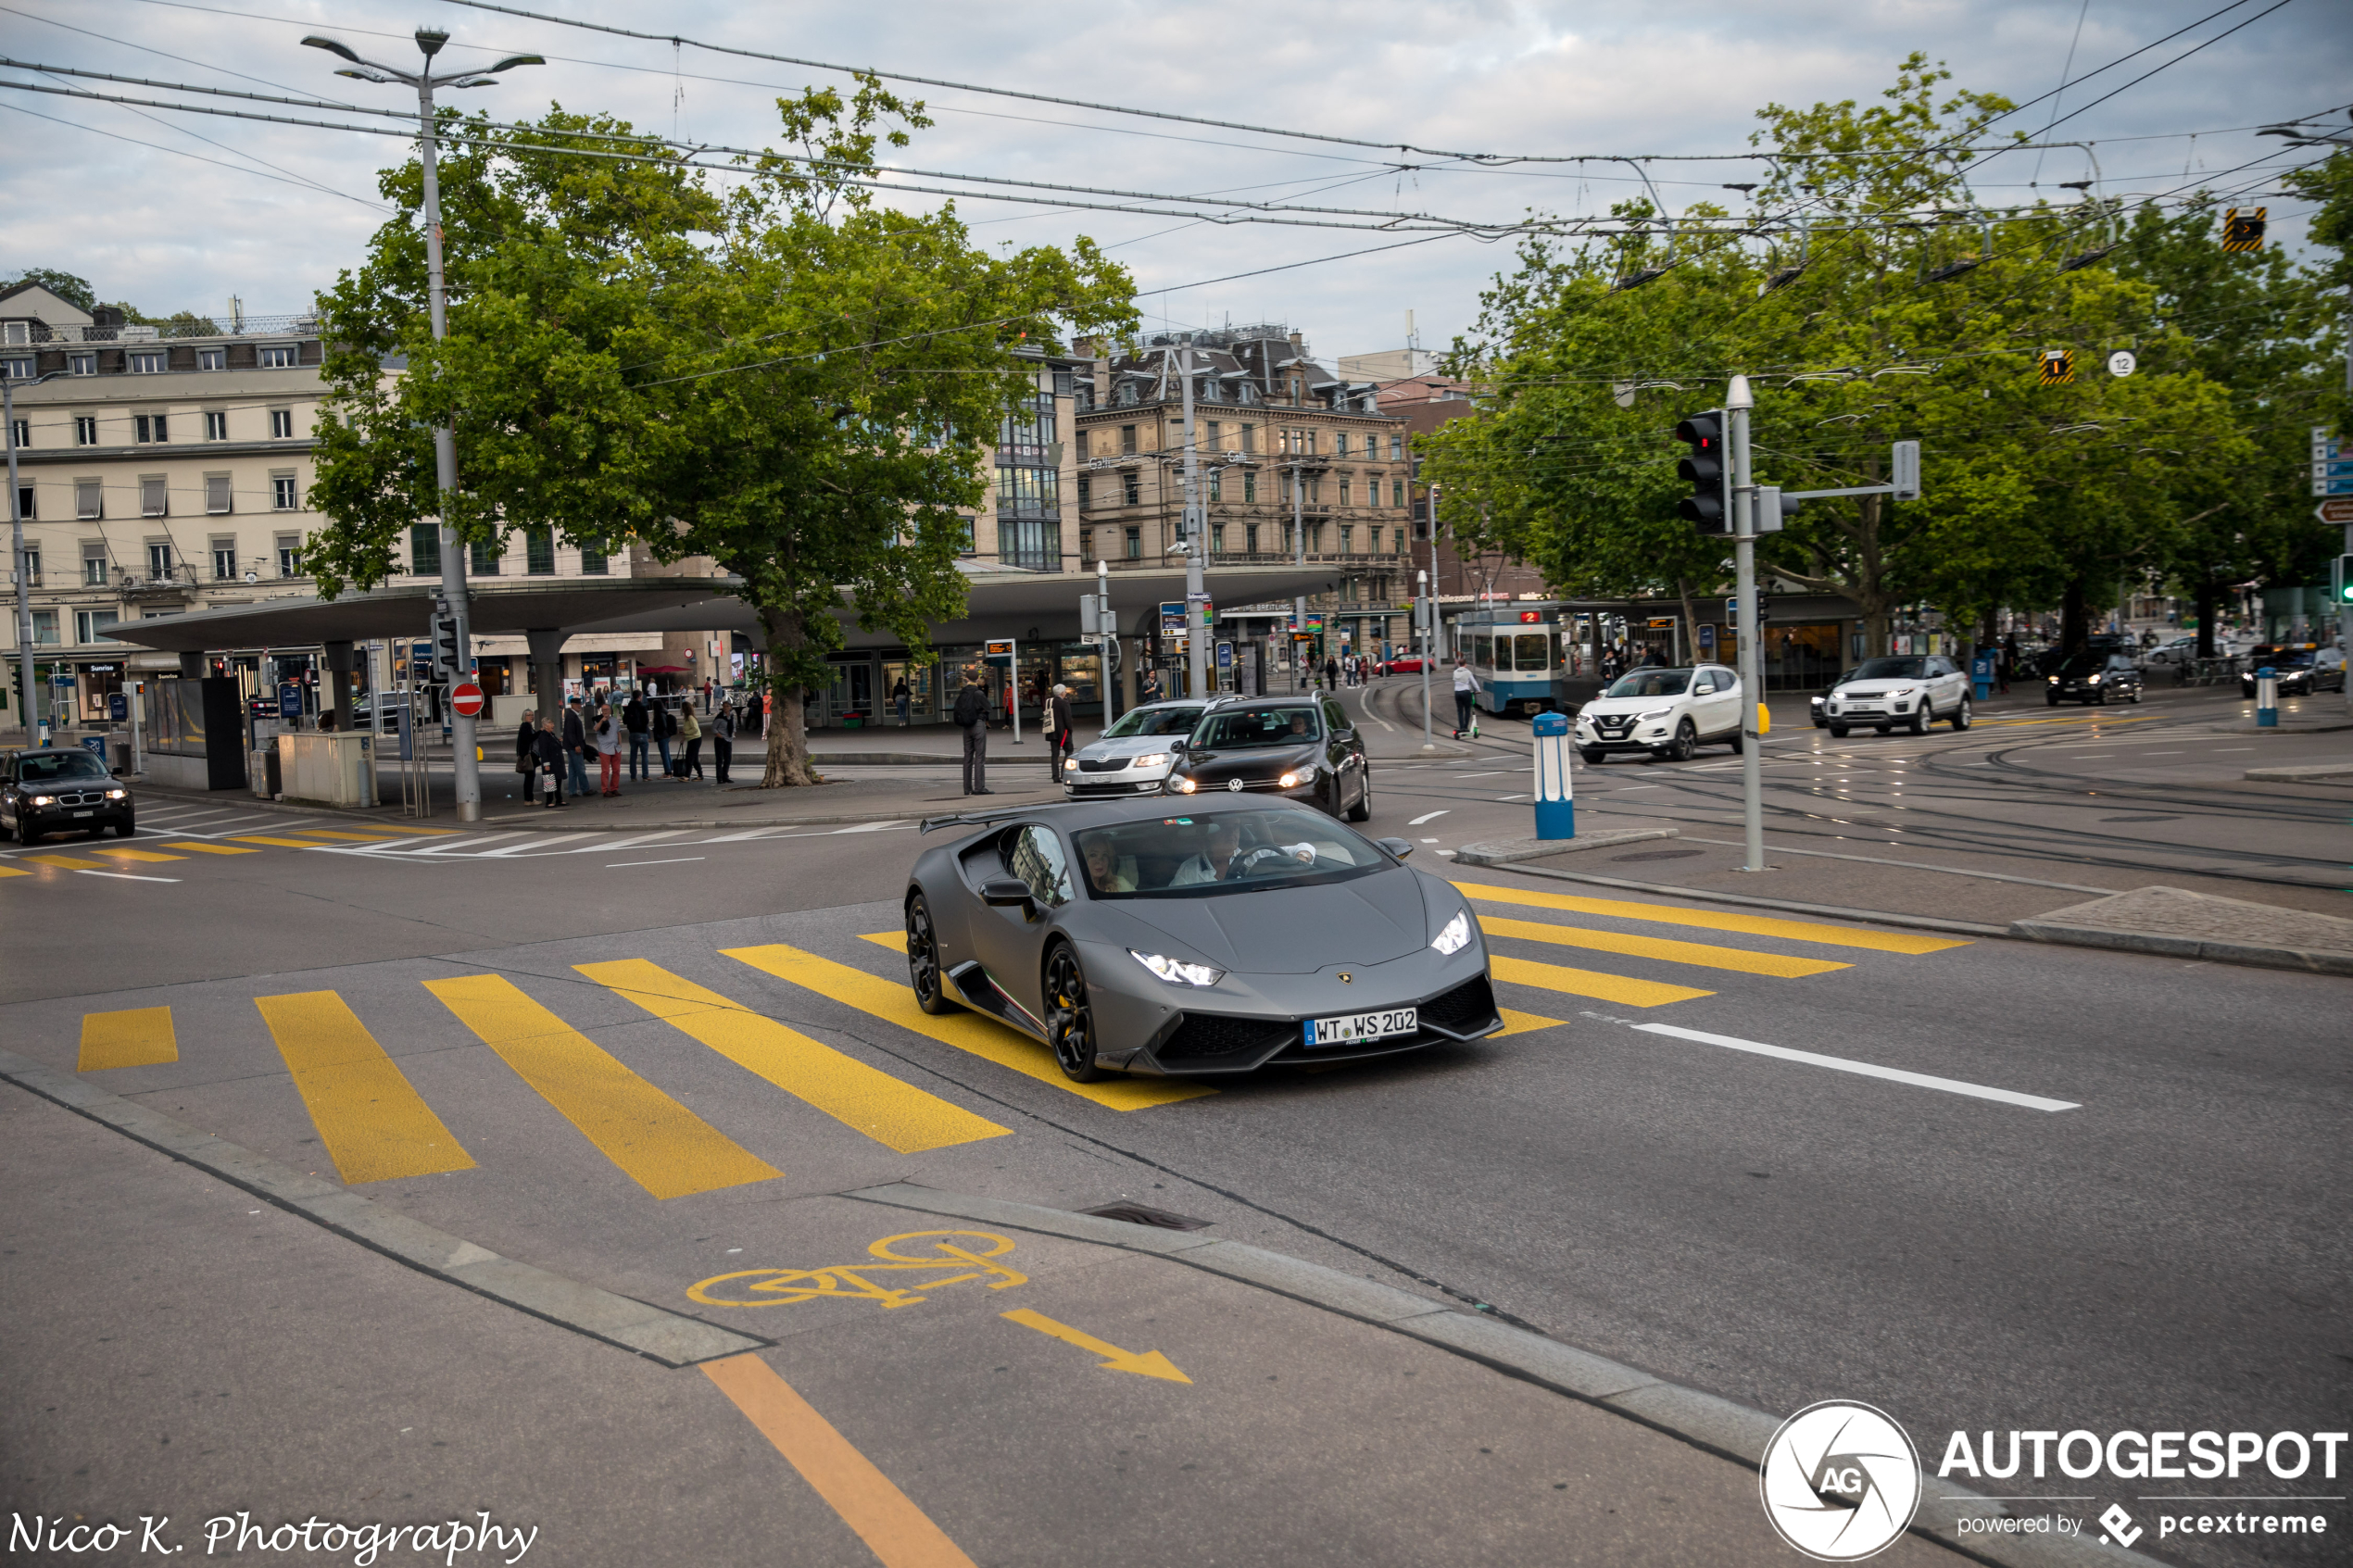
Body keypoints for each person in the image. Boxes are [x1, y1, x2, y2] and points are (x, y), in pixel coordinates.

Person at [952, 670, 991, 795]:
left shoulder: (962, 693)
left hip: (966, 727)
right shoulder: (978, 693)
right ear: (978, 678)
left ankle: (967, 788)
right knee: (979, 757)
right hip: (978, 725)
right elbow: (988, 707)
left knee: (967, 757)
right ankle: (979, 787)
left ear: (966, 679)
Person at [532, 717, 566, 808]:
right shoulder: (543, 736)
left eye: (553, 723)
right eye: (551, 724)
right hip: (550, 762)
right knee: (549, 781)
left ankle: (559, 799)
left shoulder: (551, 735)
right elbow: (543, 751)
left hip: (556, 762)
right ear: (546, 726)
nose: (553, 725)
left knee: (558, 780)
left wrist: (559, 742)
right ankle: (549, 801)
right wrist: (546, 763)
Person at [1046, 682, 1075, 778]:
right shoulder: (1064, 703)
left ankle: (1055, 776)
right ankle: (1063, 773)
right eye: (1065, 691)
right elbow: (1068, 719)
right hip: (1064, 732)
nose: (1065, 693)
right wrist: (1070, 730)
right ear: (1062, 693)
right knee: (1069, 751)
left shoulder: (1049, 702)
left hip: (1052, 732)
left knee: (1055, 754)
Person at [595, 701, 623, 797]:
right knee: (605, 771)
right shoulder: (598, 719)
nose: (605, 711)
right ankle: (605, 790)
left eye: (606, 710)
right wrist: (602, 720)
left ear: (610, 710)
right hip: (605, 748)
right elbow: (595, 729)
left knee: (616, 770)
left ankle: (614, 788)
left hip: (615, 747)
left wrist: (620, 745)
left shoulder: (614, 720)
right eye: (603, 710)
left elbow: (618, 732)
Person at [623, 691, 650, 781]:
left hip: (632, 733)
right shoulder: (642, 707)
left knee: (633, 756)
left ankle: (633, 776)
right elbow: (646, 720)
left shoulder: (628, 708)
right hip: (642, 733)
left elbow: (624, 721)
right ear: (639, 696)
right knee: (644, 756)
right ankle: (645, 775)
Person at [1451, 659, 1479, 738]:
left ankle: (1461, 727)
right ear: (1465, 664)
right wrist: (1478, 690)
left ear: (1459, 664)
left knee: (1460, 710)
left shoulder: (1455, 672)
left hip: (1457, 693)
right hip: (1466, 692)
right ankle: (1465, 727)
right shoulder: (1468, 672)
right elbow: (1474, 683)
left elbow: (1455, 681)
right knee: (1467, 709)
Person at [514, 709, 538, 803]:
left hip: (533, 755)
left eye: (532, 715)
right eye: (529, 715)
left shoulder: (528, 726)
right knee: (530, 778)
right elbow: (528, 739)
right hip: (530, 756)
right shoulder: (525, 726)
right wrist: (540, 732)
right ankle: (529, 799)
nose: (532, 716)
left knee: (530, 777)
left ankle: (529, 799)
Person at [678, 700, 704, 779]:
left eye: (682, 708)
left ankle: (687, 776)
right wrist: (683, 738)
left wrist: (686, 732)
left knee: (689, 758)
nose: (681, 710)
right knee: (694, 759)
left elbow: (695, 729)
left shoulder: (690, 718)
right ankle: (700, 775)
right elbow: (689, 729)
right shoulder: (687, 718)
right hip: (692, 739)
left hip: (695, 739)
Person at [712, 699, 736, 784]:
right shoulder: (720, 717)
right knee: (719, 759)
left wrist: (733, 733)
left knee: (728, 759)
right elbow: (714, 728)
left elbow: (733, 725)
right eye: (724, 706)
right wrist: (719, 735)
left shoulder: (731, 716)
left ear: (730, 707)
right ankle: (719, 778)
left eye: (727, 706)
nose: (725, 708)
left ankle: (725, 776)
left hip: (729, 739)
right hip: (720, 739)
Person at [653, 698, 677, 778]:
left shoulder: (659, 714)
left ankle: (668, 772)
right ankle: (671, 770)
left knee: (664, 755)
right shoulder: (664, 713)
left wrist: (656, 730)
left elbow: (662, 726)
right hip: (666, 736)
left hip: (662, 736)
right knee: (667, 754)